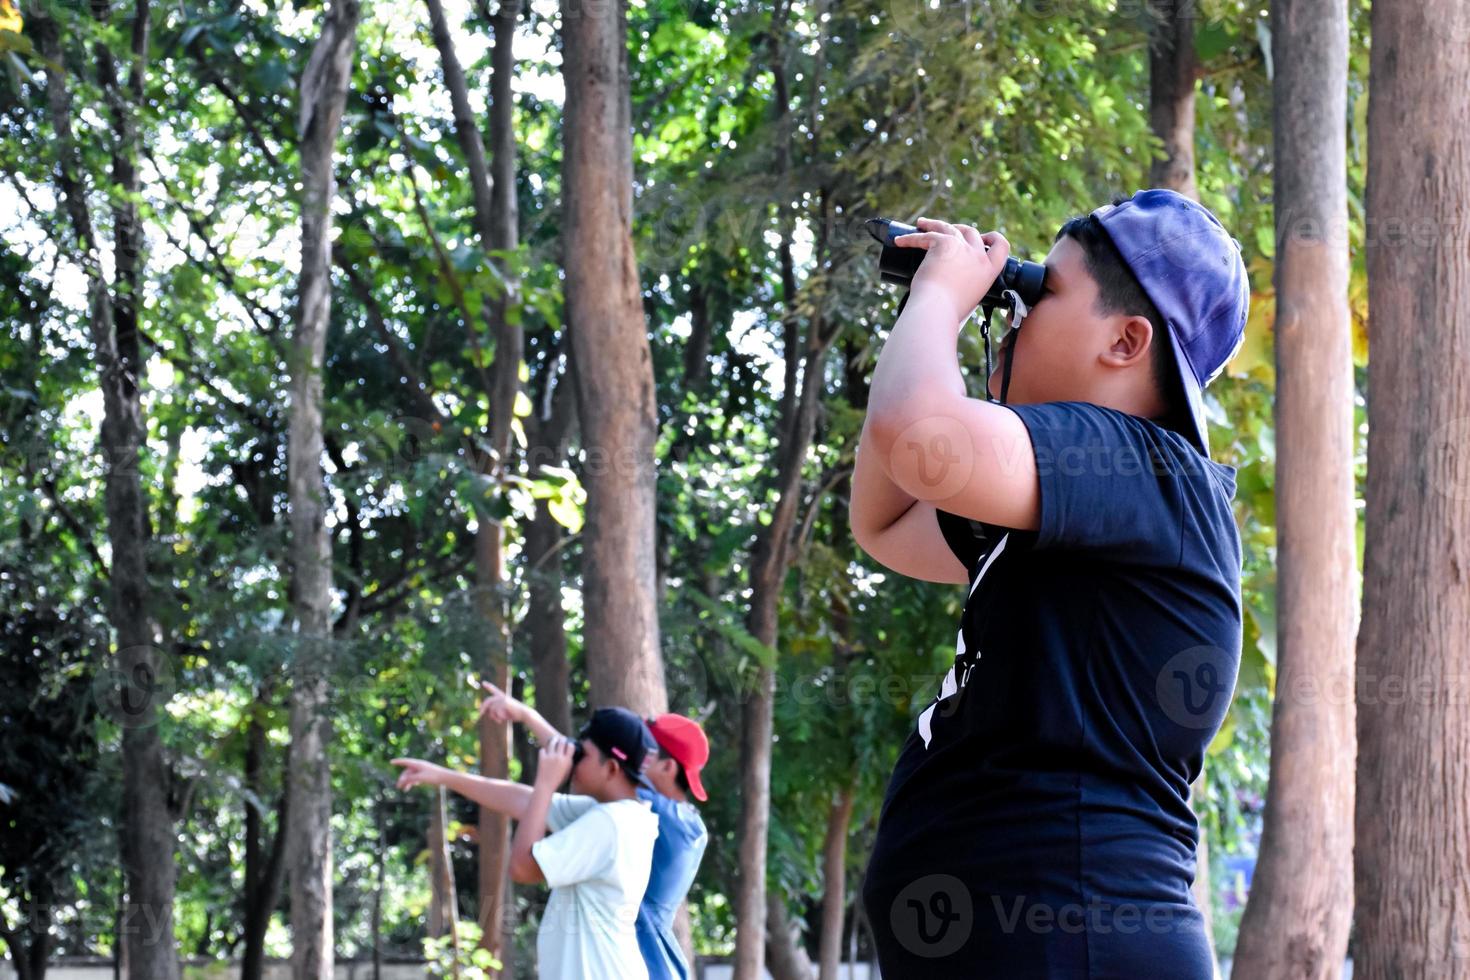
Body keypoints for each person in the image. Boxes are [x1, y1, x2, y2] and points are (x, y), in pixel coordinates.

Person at [851, 189, 1247, 977]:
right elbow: (886, 520)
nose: (1021, 309)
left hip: (1080, 942)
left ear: (1128, 341)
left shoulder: (1146, 468)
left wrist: (940, 295)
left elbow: (918, 438)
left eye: (1045, 291)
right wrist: (947, 317)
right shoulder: (1084, 501)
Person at [392, 706, 660, 980]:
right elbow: (523, 800)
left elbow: (522, 868)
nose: (573, 762)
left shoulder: (609, 823)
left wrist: (546, 782)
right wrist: (443, 776)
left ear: (612, 767)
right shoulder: (624, 816)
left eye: (583, 754)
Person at [479, 682, 711, 980]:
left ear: (667, 768)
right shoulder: (682, 823)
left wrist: (529, 717)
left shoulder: (659, 818)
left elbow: (587, 760)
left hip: (643, 964)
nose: (637, 752)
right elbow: (584, 765)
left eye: (647, 752)